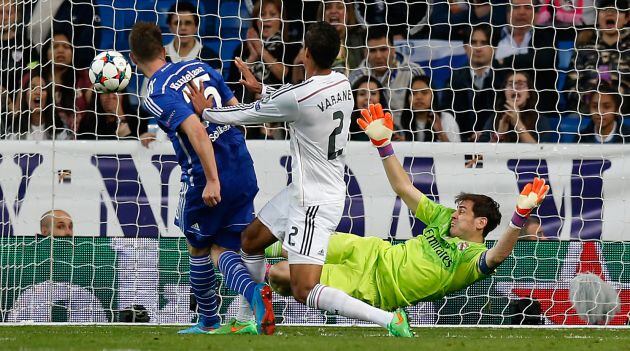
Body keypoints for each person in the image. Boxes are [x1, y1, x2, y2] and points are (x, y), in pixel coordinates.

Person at [187, 21, 413, 337]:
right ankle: (250, 316)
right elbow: (296, 99)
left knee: (304, 288)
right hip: (308, 191)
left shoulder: (301, 96)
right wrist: (264, 89)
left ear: (305, 53)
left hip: (313, 203)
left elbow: (249, 114)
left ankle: (389, 319)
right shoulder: (343, 83)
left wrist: (206, 113)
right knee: (250, 241)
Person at [267, 103, 549, 311]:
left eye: (463, 210)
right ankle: (233, 247)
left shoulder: (472, 259)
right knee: (286, 245)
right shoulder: (443, 218)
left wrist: (520, 215)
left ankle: (254, 285)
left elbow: (499, 255)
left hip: (374, 286)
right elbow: (404, 187)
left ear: (480, 223)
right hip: (369, 250)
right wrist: (382, 144)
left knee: (280, 274)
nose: (456, 213)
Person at [128, 22, 271, 335]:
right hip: (242, 165)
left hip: (208, 175)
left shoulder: (157, 93)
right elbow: (237, 112)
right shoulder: (198, 66)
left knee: (198, 247)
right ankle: (250, 295)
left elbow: (195, 131)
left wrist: (212, 179)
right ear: (164, 48)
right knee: (224, 248)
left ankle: (213, 318)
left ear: (133, 58)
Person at [348, 25, 424, 123]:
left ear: (393, 49)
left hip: (406, 133)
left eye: (383, 49)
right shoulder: (356, 77)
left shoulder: (413, 72)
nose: (378, 56)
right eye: (373, 51)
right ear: (365, 52)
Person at [564, 0, 629, 114]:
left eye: (616, 10)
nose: (610, 13)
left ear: (627, 18)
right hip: (587, 111)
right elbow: (570, 87)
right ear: (597, 17)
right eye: (604, 9)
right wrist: (590, 97)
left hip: (625, 111)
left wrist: (614, 99)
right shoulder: (584, 46)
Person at [442, 24, 498, 141]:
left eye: (484, 43)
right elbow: (447, 117)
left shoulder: (504, 80)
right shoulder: (453, 81)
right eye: (473, 42)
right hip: (461, 147)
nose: (478, 48)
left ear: (495, 48)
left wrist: (485, 135)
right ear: (465, 47)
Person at [479, 71, 553, 143]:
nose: (515, 88)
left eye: (521, 84)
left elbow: (538, 152)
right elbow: (484, 153)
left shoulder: (540, 120)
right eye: (510, 84)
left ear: (529, 94)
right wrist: (499, 134)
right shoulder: (495, 118)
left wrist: (517, 123)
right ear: (504, 92)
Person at [399, 75, 461, 142]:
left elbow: (456, 151)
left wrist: (440, 133)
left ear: (433, 96)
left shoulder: (446, 119)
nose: (419, 97)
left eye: (424, 93)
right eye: (413, 93)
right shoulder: (401, 120)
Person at [164, 1, 220, 68]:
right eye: (177, 23)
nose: (183, 27)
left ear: (196, 27)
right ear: (170, 27)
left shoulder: (211, 57)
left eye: (188, 23)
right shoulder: (159, 56)